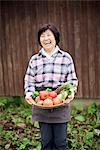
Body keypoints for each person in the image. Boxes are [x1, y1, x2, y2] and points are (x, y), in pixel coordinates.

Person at [24, 24, 78, 150]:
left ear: (55, 38)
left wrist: (70, 93)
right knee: (46, 142)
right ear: (39, 40)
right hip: (41, 102)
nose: (45, 38)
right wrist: (29, 94)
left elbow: (72, 80)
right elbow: (29, 81)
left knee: (60, 142)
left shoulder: (66, 58)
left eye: (49, 35)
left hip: (60, 101)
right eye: (42, 36)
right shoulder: (34, 59)